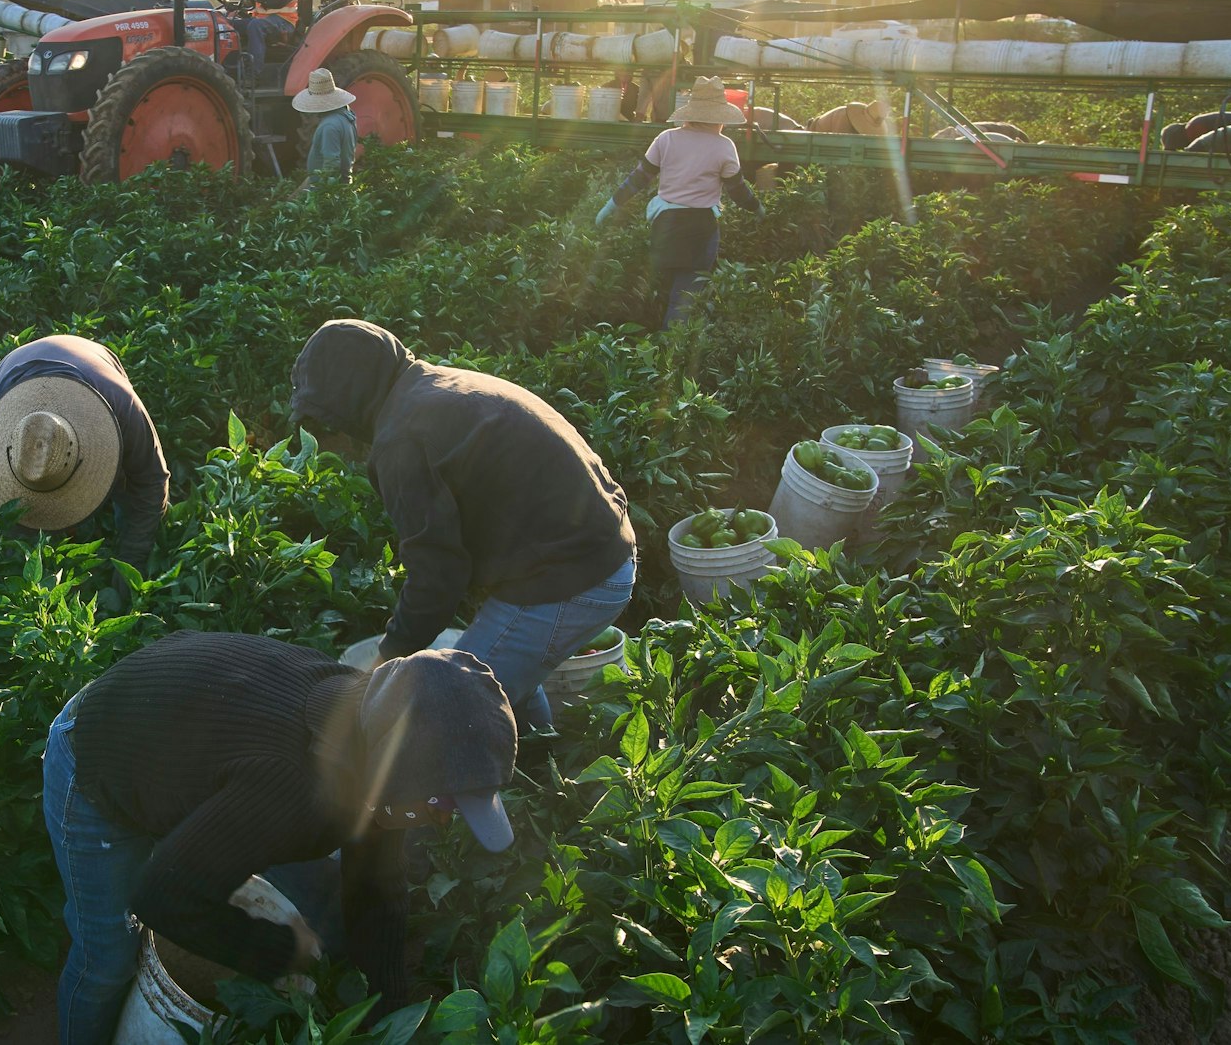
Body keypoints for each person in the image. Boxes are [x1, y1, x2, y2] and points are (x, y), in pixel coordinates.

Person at [45, 630, 518, 1045]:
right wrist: (279, 953)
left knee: (322, 902)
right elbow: (163, 898)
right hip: (99, 753)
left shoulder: (376, 724)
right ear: (401, 770)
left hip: (182, 744)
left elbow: (377, 888)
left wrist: (390, 1011)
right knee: (106, 957)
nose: (443, 819)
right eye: (443, 802)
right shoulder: (289, 786)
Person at [288, 319, 636, 732]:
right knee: (506, 676)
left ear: (348, 394)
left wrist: (386, 660)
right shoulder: (437, 385)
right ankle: (541, 760)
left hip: (573, 580)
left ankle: (520, 769)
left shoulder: (402, 441)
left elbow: (437, 574)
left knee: (453, 704)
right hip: (602, 550)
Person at [0, 336, 169, 589]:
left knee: (128, 494)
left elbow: (151, 480)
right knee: (7, 537)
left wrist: (131, 565)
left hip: (94, 367)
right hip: (9, 369)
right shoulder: (0, 414)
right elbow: (0, 512)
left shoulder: (120, 402)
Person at [596, 76, 766, 326]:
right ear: (719, 117)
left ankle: (644, 341)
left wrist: (610, 206)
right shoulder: (724, 146)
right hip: (700, 230)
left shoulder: (666, 138)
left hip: (665, 227)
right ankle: (670, 347)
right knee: (684, 300)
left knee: (660, 292)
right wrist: (758, 208)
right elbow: (737, 191)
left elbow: (639, 178)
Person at [292, 68, 358, 195]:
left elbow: (331, 164)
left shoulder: (329, 126)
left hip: (325, 186)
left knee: (291, 205)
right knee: (292, 199)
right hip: (338, 182)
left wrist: (321, 194)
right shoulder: (347, 116)